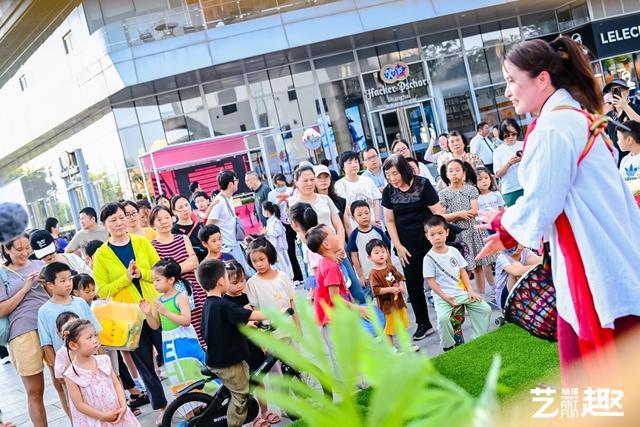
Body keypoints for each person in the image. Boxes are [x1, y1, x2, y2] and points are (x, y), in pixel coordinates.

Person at [477, 36, 640, 384]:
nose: (507, 91)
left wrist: (502, 225)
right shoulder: (574, 116)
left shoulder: (554, 126)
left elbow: (541, 202)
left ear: (541, 79)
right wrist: (507, 231)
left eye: (511, 80)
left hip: (591, 262)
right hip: (605, 253)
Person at [92, 203, 167, 422]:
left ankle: (187, 397)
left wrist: (140, 273)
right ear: (105, 225)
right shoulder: (101, 254)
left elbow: (159, 271)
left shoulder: (141, 242)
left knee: (169, 354)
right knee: (145, 365)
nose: (119, 223)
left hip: (155, 308)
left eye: (121, 217)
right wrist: (125, 278)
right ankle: (162, 407)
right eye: (112, 220)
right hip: (129, 318)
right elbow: (102, 290)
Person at [197, 259, 267, 427]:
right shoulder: (223, 305)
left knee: (237, 388)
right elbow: (249, 315)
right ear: (222, 281)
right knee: (241, 395)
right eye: (228, 278)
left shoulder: (208, 304)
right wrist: (276, 313)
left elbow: (209, 331)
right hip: (228, 363)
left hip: (216, 359)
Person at [381, 154, 444, 340]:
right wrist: (398, 246)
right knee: (414, 285)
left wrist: (437, 239)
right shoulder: (388, 192)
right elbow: (389, 221)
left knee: (440, 279)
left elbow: (437, 213)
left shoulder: (422, 184)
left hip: (429, 240)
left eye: (395, 173)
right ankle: (423, 323)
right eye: (388, 175)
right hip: (406, 245)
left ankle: (451, 313)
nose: (392, 178)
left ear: (403, 170)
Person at [37, 262, 101, 419]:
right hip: (69, 369)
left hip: (91, 362)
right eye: (62, 280)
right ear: (50, 285)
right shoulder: (44, 311)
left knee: (99, 397)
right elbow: (47, 345)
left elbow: (95, 332)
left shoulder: (80, 302)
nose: (68, 284)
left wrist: (100, 357)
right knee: (77, 405)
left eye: (70, 279)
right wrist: (59, 371)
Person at [139, 258, 208, 396]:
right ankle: (189, 402)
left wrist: (166, 312)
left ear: (170, 280)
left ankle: (205, 396)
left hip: (183, 337)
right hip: (169, 340)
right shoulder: (158, 300)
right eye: (153, 280)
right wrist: (148, 314)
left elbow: (186, 320)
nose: (154, 284)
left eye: (158, 280)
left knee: (192, 366)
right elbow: (155, 325)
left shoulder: (181, 296)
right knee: (178, 371)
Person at [423, 216, 491, 352]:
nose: (437, 237)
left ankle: (479, 337)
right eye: (432, 234)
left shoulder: (454, 251)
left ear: (447, 232)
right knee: (443, 319)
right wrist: (445, 297)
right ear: (427, 236)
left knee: (484, 308)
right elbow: (431, 282)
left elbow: (463, 272)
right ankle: (448, 346)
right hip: (443, 297)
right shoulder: (428, 258)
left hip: (461, 293)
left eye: (440, 233)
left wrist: (470, 290)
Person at [0, 234, 49, 426]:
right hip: (22, 333)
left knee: (64, 382)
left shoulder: (40, 264)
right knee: (35, 391)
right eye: (19, 249)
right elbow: (1, 309)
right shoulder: (2, 273)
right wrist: (25, 288)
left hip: (50, 325)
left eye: (27, 247)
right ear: (6, 249)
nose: (25, 252)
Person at [62, 319, 140, 426]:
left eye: (95, 335)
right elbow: (79, 404)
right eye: (89, 337)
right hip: (95, 421)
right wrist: (103, 416)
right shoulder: (71, 375)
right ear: (73, 345)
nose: (95, 340)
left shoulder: (104, 360)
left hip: (117, 413)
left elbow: (116, 383)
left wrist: (123, 406)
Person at [150, 205, 206, 347]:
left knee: (204, 326)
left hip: (194, 290)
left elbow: (194, 262)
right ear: (152, 224)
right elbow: (161, 273)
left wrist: (172, 269)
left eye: (167, 217)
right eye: (159, 219)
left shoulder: (183, 238)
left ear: (172, 218)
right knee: (187, 332)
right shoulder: (152, 246)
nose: (164, 222)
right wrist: (184, 265)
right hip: (173, 297)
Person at [439, 159, 495, 295]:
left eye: (457, 170)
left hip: (473, 231)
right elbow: (442, 216)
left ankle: (480, 296)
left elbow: (474, 211)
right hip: (457, 235)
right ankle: (466, 295)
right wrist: (460, 214)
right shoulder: (443, 194)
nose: (454, 173)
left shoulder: (471, 189)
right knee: (462, 269)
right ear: (446, 174)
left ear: (463, 172)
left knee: (478, 267)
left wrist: (454, 216)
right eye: (451, 171)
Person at [305, 225, 369, 327]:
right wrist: (358, 309)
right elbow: (335, 299)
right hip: (333, 322)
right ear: (326, 245)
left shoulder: (326, 262)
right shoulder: (331, 267)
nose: (338, 236)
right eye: (334, 234)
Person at [207, 170, 252, 273]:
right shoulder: (219, 202)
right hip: (227, 248)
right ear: (231, 184)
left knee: (244, 272)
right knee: (239, 273)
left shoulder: (229, 198)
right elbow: (208, 226)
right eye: (236, 180)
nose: (238, 182)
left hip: (235, 243)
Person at [366, 239, 408, 347]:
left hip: (399, 303)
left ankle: (407, 345)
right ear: (369, 257)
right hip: (387, 306)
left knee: (402, 324)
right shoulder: (373, 273)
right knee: (389, 328)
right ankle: (391, 348)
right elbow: (376, 290)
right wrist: (391, 289)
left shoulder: (390, 267)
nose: (381, 254)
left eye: (383, 251)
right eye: (376, 253)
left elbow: (400, 278)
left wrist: (401, 286)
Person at [346, 200, 390, 297]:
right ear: (353, 218)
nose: (364, 216)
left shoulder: (378, 231)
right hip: (367, 276)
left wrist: (390, 266)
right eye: (360, 215)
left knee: (387, 296)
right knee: (368, 299)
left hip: (383, 271)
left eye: (367, 213)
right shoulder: (354, 235)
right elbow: (354, 256)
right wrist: (360, 276)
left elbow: (386, 249)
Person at [267, 173, 303, 283]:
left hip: (295, 221)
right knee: (290, 251)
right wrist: (278, 203)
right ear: (274, 184)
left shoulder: (291, 190)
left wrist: (288, 199)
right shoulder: (272, 194)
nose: (281, 187)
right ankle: (297, 276)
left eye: (282, 185)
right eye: (278, 185)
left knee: (303, 246)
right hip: (283, 225)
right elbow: (271, 210)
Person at [335, 151, 383, 233]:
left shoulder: (367, 180)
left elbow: (376, 201)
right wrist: (368, 222)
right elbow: (347, 208)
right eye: (350, 163)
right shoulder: (340, 184)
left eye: (356, 162)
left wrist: (377, 221)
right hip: (357, 228)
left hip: (375, 225)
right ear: (343, 167)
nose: (354, 165)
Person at [604, 78, 640, 163]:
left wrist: (625, 107)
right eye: (611, 91)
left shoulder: (636, 108)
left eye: (618, 90)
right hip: (619, 162)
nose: (615, 93)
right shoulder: (609, 115)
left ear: (627, 92)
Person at [493, 118, 524, 206]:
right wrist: (509, 163)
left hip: (527, 186)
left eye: (514, 134)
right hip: (510, 190)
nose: (511, 137)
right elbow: (497, 174)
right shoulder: (498, 151)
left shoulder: (523, 144)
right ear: (502, 135)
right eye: (507, 135)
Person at [261, 201, 294, 279]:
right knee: (280, 264)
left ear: (266, 210)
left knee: (284, 263)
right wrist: (265, 233)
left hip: (279, 246)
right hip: (275, 246)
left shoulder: (275, 220)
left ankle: (289, 278)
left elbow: (278, 232)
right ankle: (285, 278)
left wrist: (267, 232)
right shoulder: (269, 221)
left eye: (263, 210)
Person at [313, 164, 349, 234]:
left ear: (330, 179)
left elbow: (347, 226)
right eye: (319, 177)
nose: (323, 180)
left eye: (326, 177)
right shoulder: (311, 203)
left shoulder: (341, 201)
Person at [171, 195, 206, 261]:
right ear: (174, 211)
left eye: (186, 205)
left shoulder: (200, 225)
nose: (185, 209)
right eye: (180, 207)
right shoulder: (174, 230)